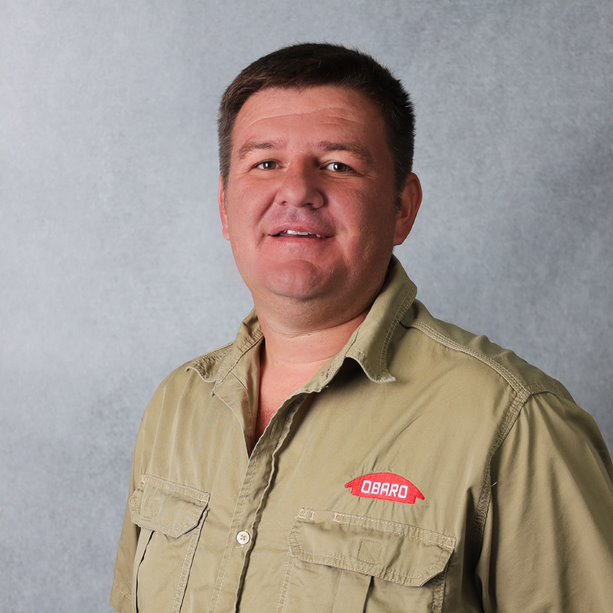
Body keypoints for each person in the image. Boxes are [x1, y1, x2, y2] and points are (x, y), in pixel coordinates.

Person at [111, 43, 613, 613]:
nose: (297, 190)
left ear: (403, 208)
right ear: (226, 207)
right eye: (266, 163)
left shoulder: (514, 423)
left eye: (338, 165)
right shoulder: (177, 407)